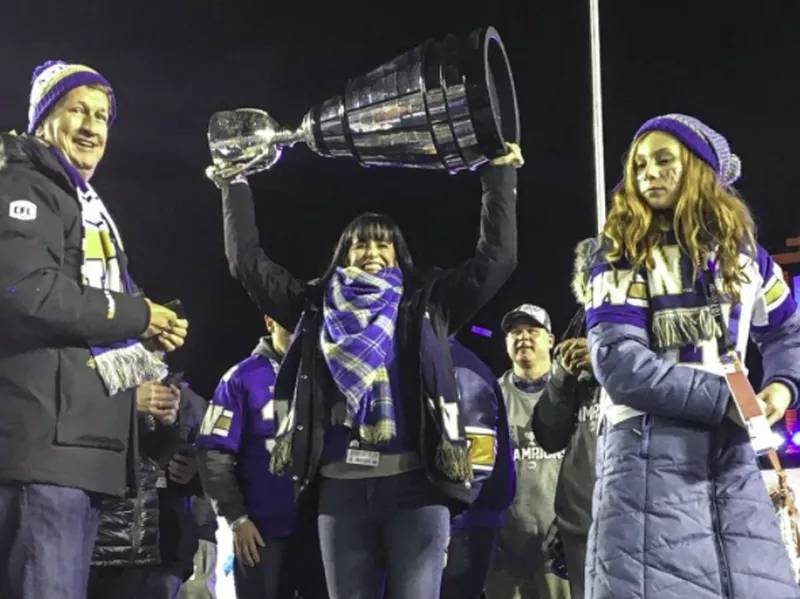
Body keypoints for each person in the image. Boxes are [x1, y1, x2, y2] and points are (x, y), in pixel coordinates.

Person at [212, 142, 522, 599]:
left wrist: (499, 176)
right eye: (361, 243)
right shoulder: (312, 307)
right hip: (341, 494)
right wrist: (233, 186)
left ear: (399, 255)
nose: (372, 251)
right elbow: (248, 264)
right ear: (343, 254)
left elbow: (497, 260)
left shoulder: (426, 303)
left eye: (384, 243)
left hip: (416, 489)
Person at [581, 113, 800, 598]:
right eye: (639, 165)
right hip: (645, 459)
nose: (648, 175)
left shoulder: (745, 255)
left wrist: (781, 386)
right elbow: (620, 363)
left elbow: (788, 329)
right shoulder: (618, 252)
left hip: (732, 461)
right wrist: (726, 399)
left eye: (664, 161)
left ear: (700, 170)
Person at [0, 59, 187, 599]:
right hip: (42, 456)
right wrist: (137, 314)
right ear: (41, 122)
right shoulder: (24, 182)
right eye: (76, 110)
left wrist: (147, 351)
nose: (91, 126)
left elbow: (88, 344)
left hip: (80, 455)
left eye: (102, 115)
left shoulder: (90, 210)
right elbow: (27, 294)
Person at [197, 315, 328, 599]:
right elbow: (214, 452)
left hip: (321, 532)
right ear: (270, 323)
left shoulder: (327, 377)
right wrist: (237, 518)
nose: (300, 337)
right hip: (262, 534)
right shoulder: (240, 378)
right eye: (290, 328)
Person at [486, 304, 571, 599]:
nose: (523, 337)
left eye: (532, 331)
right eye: (515, 332)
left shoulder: (576, 392)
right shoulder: (489, 397)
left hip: (565, 549)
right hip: (507, 552)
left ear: (551, 340)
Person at [531, 304, 600, 599]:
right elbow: (549, 437)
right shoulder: (576, 382)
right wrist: (561, 378)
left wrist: (607, 360)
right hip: (582, 525)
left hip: (640, 524)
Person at [442, 337, 516, 599]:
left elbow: (475, 467)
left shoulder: (459, 367)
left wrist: (442, 526)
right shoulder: (449, 360)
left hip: (463, 524)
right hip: (461, 522)